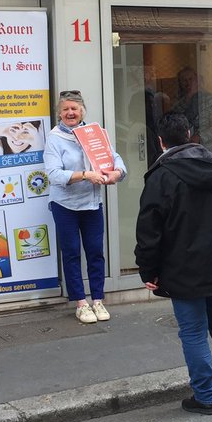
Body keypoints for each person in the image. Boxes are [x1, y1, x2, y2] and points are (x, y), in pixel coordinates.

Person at [136, 113, 212, 414]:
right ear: (190, 134)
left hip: (182, 265)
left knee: (193, 330)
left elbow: (149, 231)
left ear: (161, 142)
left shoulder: (161, 177)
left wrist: (148, 269)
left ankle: (205, 396)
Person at [43, 90, 127, 324]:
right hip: (65, 205)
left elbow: (114, 158)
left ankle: (98, 300)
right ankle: (80, 303)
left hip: (91, 204)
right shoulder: (54, 138)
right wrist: (85, 175)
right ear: (59, 113)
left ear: (82, 111)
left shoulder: (93, 134)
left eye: (75, 109)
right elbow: (53, 174)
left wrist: (117, 173)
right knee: (71, 253)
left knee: (95, 252)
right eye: (66, 109)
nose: (70, 113)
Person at [172, 66, 212, 156]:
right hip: (186, 152)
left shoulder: (209, 99)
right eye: (184, 80)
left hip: (208, 152)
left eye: (191, 79)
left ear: (197, 80)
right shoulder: (177, 105)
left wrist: (199, 137)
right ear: (180, 83)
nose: (188, 83)